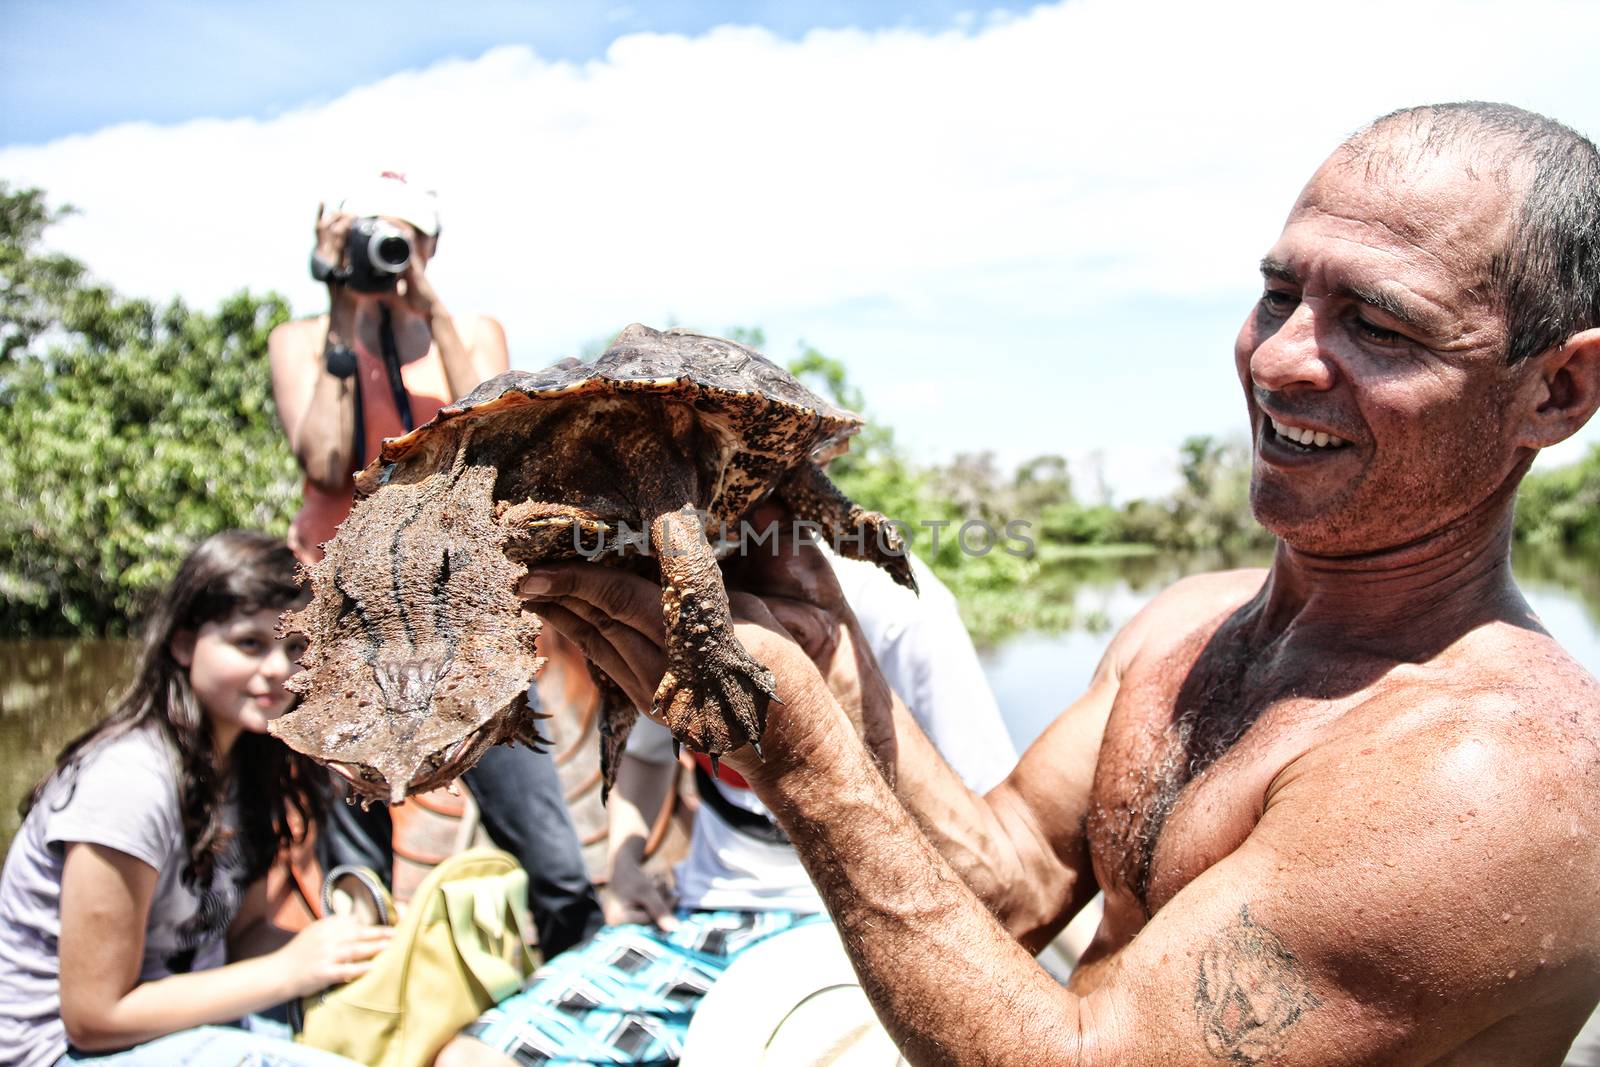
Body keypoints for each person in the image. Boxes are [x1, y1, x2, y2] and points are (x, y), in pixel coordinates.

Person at [517, 101, 1600, 1063]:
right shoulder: (1189, 624)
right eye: (1278, 293)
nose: (1279, 361)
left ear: (1556, 390)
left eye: (1378, 325)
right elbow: (1008, 881)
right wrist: (824, 644)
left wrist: (787, 741)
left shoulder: (1497, 777)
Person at [436, 549, 1018, 1067]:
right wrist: (627, 861)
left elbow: (986, 829)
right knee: (469, 1056)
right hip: (707, 916)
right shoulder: (675, 591)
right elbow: (645, 758)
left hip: (869, 919)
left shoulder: (896, 600)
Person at [268, 173, 603, 957]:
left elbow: (494, 434)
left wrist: (430, 311)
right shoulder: (300, 341)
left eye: (404, 241)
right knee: (357, 860)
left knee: (552, 854)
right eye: (370, 239)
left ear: (431, 247)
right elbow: (322, 460)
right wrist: (345, 313)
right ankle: (364, 1009)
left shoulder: (471, 329)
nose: (388, 255)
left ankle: (573, 979)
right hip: (344, 621)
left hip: (462, 616)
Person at [0, 531, 377, 1066]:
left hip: (184, 1030)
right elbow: (93, 1017)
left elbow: (240, 938)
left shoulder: (247, 765)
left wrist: (349, 951)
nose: (278, 669)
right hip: (59, 1053)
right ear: (182, 644)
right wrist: (292, 970)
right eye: (250, 644)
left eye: (294, 647)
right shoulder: (128, 783)